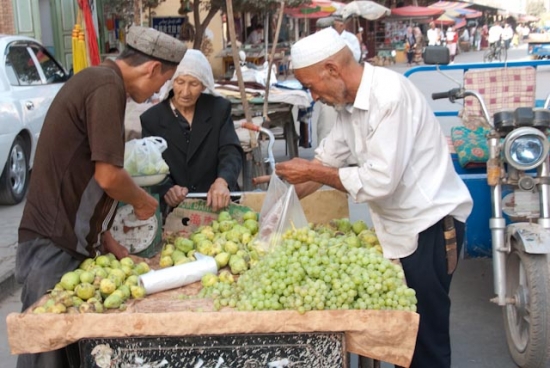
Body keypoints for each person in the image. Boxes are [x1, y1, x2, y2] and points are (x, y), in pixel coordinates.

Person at [275, 27, 473, 368]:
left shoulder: (389, 95)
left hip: (429, 228)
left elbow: (381, 182)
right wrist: (278, 202)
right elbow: (325, 163)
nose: (313, 97)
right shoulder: (348, 107)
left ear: (333, 70)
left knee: (423, 340)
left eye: (311, 86)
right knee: (398, 336)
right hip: (397, 231)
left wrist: (311, 174)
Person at [15, 26, 186, 368]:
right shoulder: (107, 86)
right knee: (46, 354)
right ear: (152, 69)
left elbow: (82, 179)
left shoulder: (100, 82)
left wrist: (109, 241)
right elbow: (107, 176)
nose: (158, 92)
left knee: (62, 355)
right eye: (163, 82)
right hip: (52, 245)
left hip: (61, 240)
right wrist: (141, 201)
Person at [140, 49, 243, 214]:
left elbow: (230, 150)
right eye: (180, 82)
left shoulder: (218, 109)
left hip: (218, 204)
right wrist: (167, 188)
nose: (186, 92)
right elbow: (149, 165)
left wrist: (222, 181)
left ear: (203, 84)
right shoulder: (152, 120)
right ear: (171, 81)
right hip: (176, 211)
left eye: (194, 84)